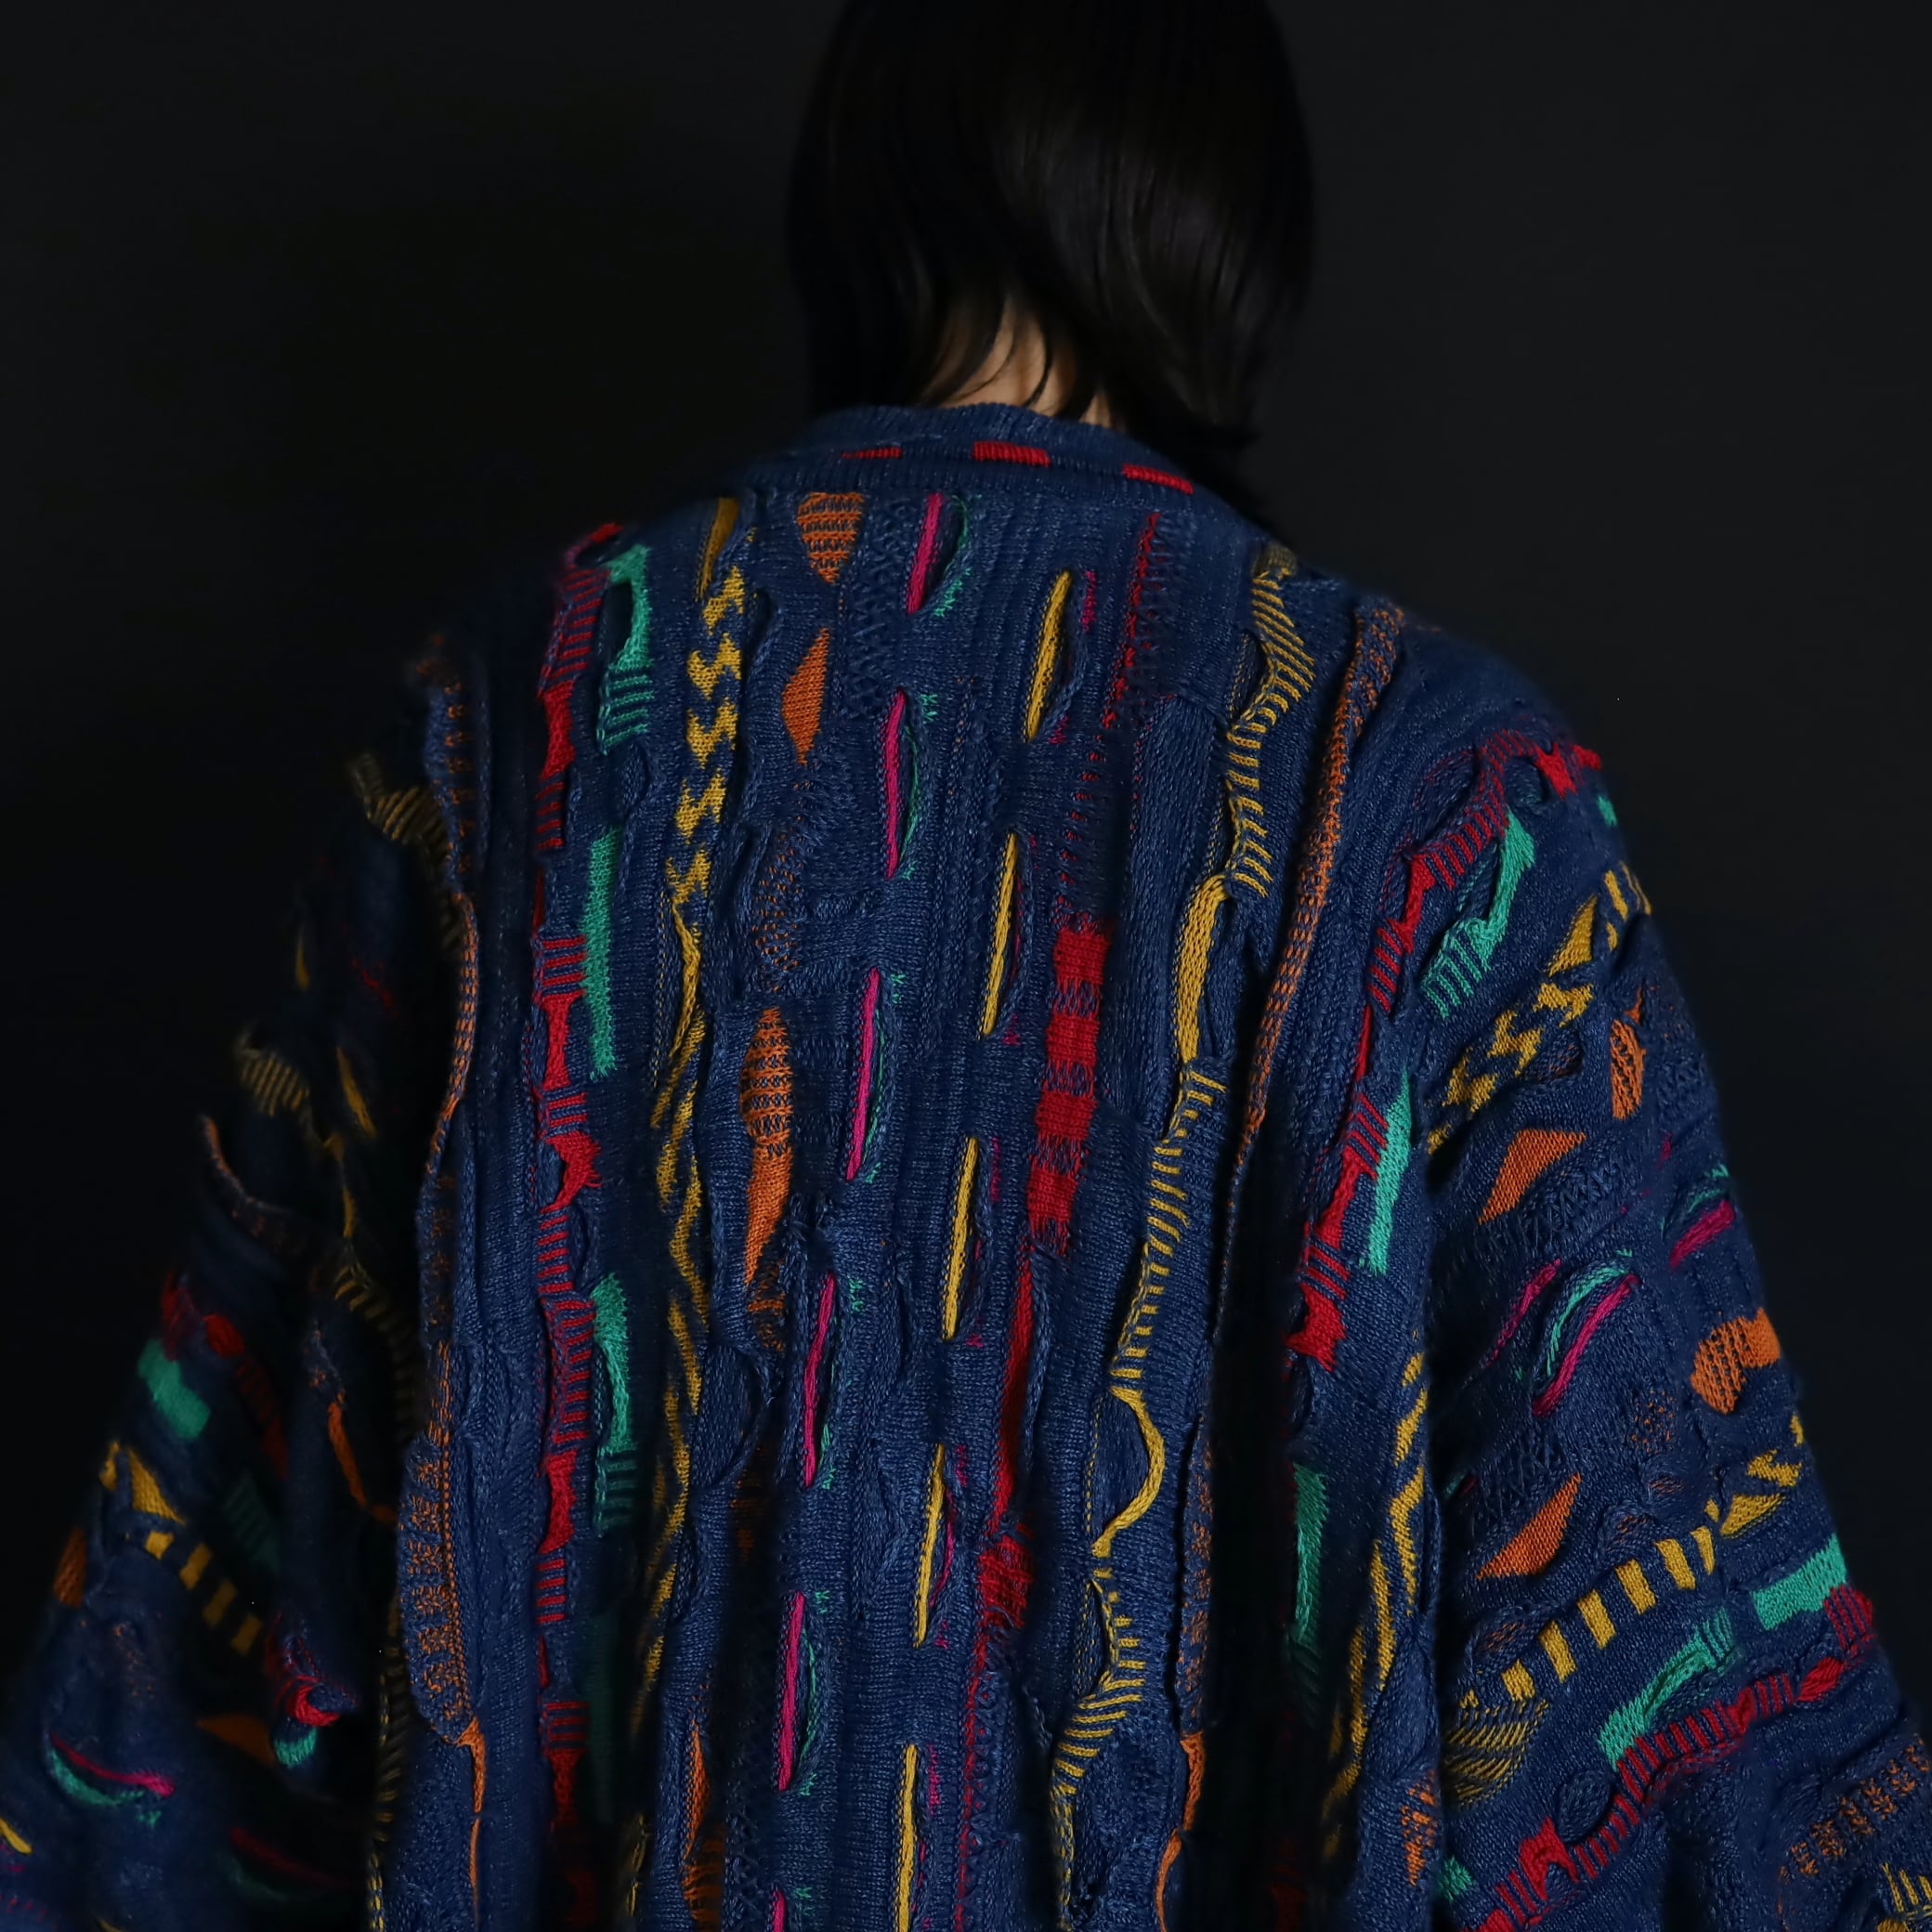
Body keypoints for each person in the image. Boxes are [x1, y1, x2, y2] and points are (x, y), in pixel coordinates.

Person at [3, 1, 1925, 1926]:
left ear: (860, 189)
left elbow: (197, 1633)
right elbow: (1671, 1665)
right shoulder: (1439, 799)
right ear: (1231, 233)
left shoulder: (504, 734)